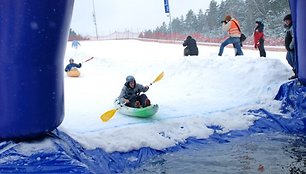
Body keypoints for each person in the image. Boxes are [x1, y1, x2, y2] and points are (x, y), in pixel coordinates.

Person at [283, 14, 297, 80]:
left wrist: (291, 46)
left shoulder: (292, 27)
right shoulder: (288, 28)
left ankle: (297, 73)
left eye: (287, 20)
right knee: (289, 58)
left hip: (292, 48)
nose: (286, 22)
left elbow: (294, 38)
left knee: (294, 60)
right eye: (285, 21)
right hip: (289, 48)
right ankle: (296, 71)